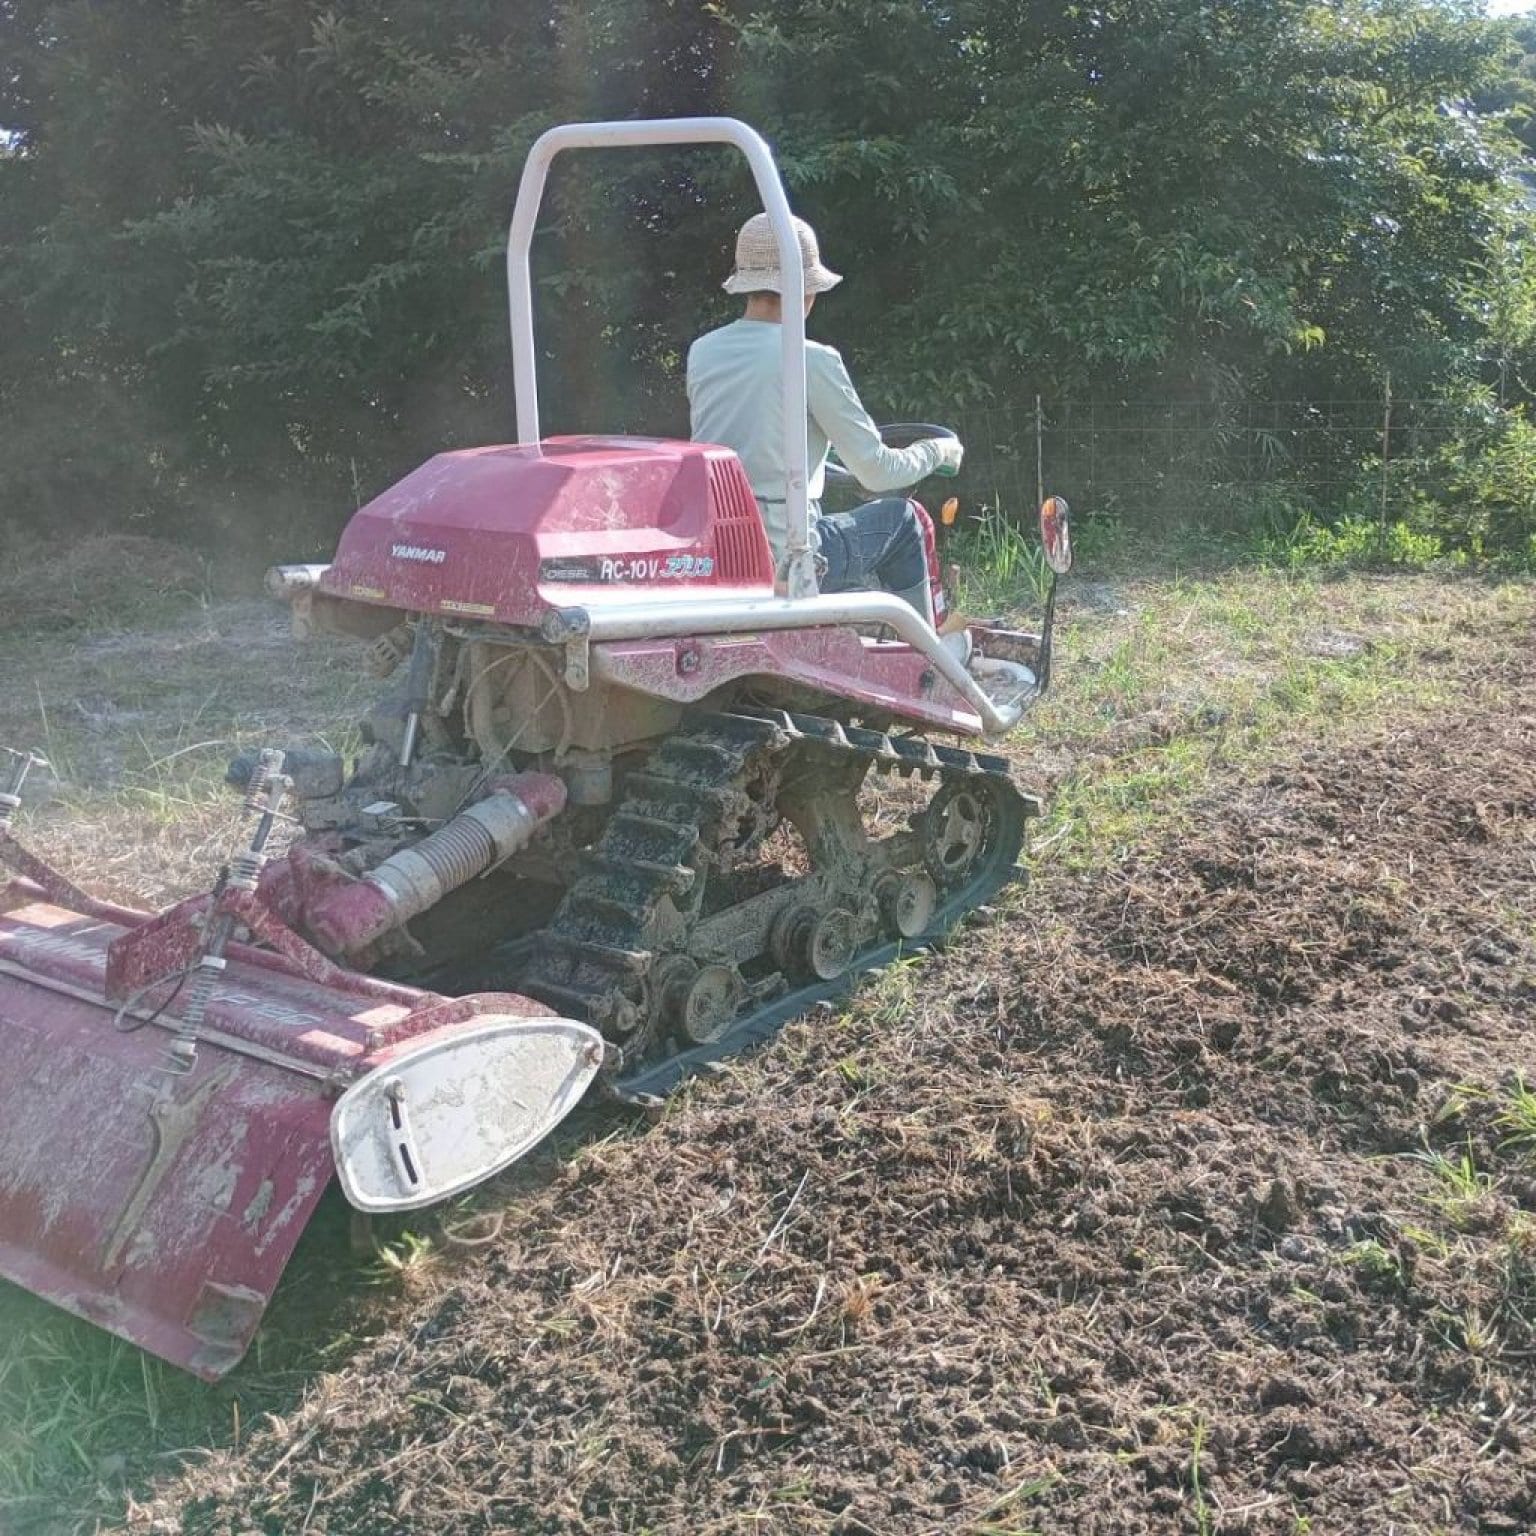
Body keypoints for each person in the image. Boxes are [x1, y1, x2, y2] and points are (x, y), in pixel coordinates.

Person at [687, 212, 963, 620]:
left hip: (722, 552)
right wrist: (937, 451)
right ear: (806, 290)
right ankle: (925, 659)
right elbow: (878, 472)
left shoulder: (703, 351)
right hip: (791, 557)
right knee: (905, 521)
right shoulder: (810, 359)